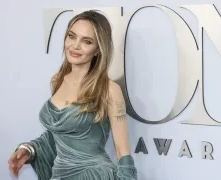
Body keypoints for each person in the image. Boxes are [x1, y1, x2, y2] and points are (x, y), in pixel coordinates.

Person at [8, 10, 137, 180]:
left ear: (98, 49)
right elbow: (60, 135)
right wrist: (30, 149)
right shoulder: (57, 80)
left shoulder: (109, 90)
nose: (75, 46)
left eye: (87, 41)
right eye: (71, 36)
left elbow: (122, 151)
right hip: (60, 174)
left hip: (94, 175)